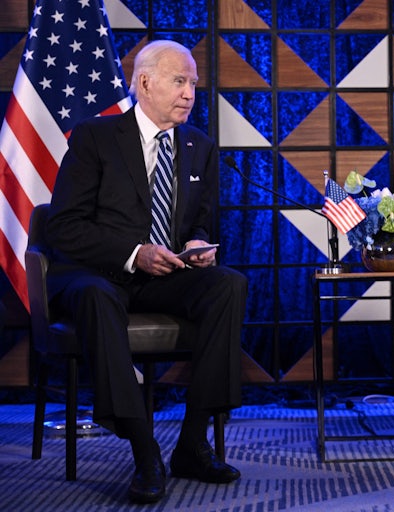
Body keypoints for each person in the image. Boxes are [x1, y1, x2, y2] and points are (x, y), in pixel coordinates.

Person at [45, 40, 247, 503]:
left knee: (228, 286)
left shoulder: (200, 146)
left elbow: (200, 220)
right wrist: (135, 253)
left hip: (165, 276)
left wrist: (197, 243)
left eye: (194, 83)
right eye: (180, 81)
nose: (190, 93)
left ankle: (193, 444)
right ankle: (143, 449)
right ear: (144, 82)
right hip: (96, 273)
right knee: (96, 296)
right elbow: (64, 227)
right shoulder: (94, 137)